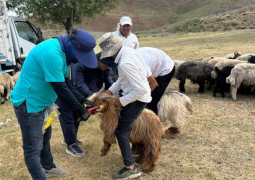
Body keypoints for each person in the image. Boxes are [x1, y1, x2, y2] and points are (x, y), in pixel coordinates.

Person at [10, 28, 97, 180]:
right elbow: (60, 88)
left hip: (43, 103)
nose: (78, 61)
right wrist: (79, 109)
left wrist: (83, 101)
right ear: (72, 45)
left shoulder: (63, 54)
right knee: (33, 147)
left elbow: (66, 83)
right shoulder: (52, 53)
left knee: (45, 138)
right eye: (79, 56)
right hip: (29, 104)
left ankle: (48, 168)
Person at [98, 32, 151, 179]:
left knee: (121, 131)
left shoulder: (125, 62)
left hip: (138, 98)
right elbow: (122, 79)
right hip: (135, 95)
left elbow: (140, 89)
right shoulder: (128, 52)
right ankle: (133, 152)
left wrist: (120, 101)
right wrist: (110, 91)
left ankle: (130, 167)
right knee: (124, 128)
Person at [136, 47, 175, 114]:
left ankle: (153, 121)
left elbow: (154, 83)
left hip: (166, 69)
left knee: (152, 100)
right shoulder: (128, 60)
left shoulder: (140, 64)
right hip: (156, 64)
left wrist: (143, 96)